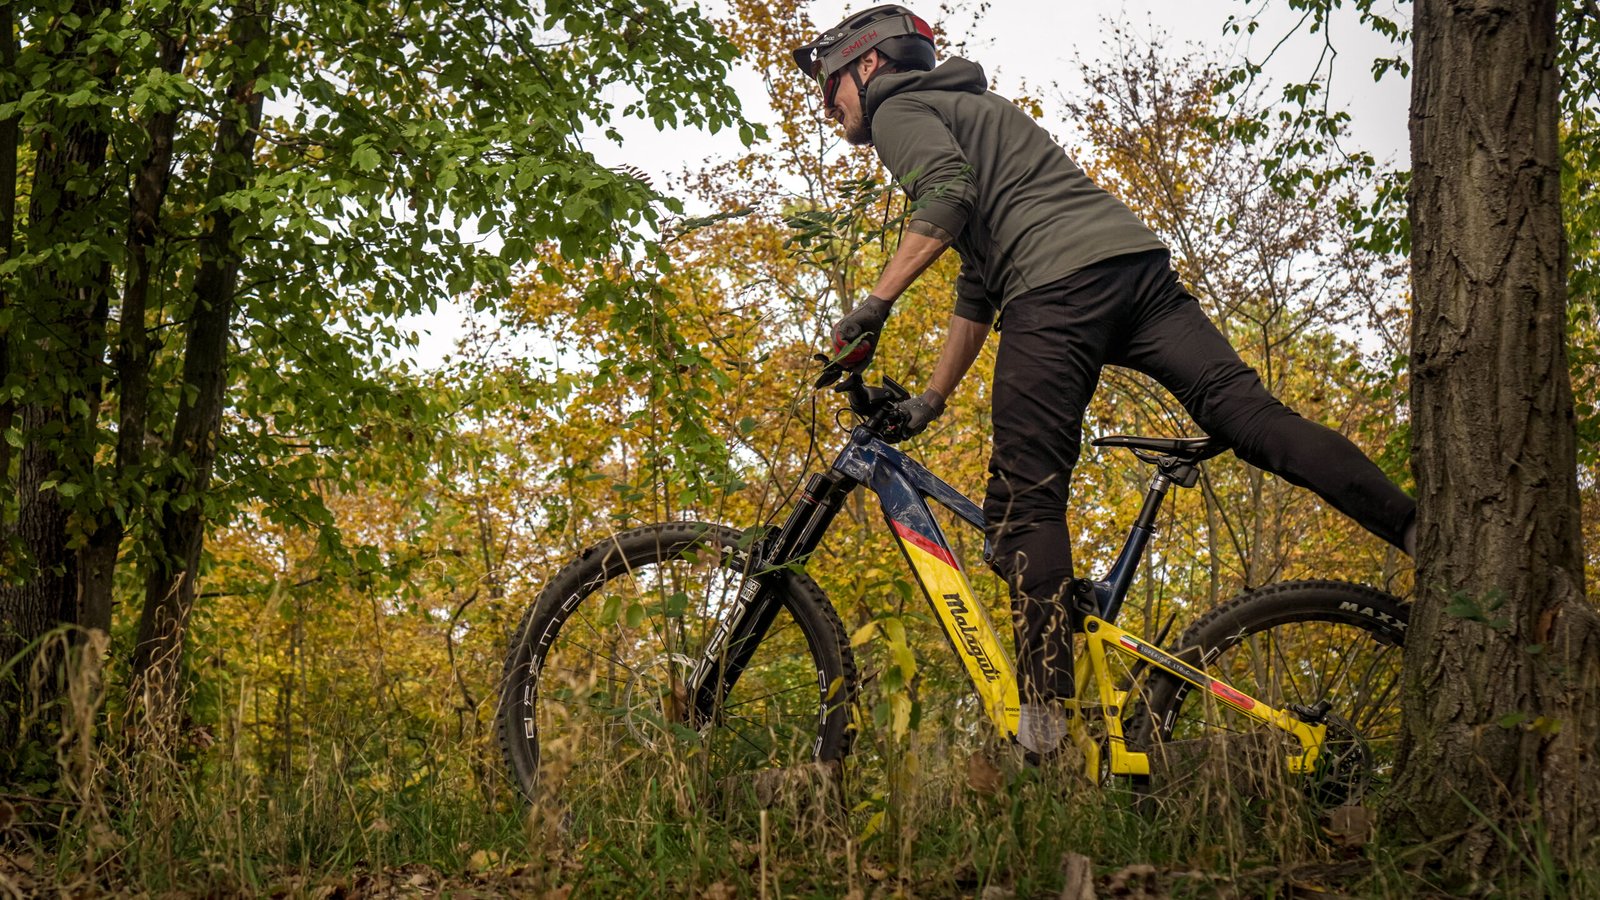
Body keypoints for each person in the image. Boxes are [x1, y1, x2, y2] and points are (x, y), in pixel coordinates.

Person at [791, 5, 1417, 758]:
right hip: (1137, 274)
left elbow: (947, 196)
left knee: (1026, 501)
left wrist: (875, 303)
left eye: (831, 86)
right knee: (1248, 415)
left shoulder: (902, 109)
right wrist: (931, 398)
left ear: (869, 64)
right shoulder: (978, 106)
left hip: (1057, 291)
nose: (829, 106)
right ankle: (1419, 531)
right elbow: (977, 287)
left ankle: (1048, 738)